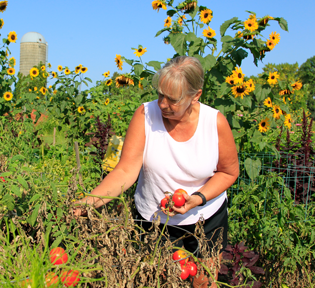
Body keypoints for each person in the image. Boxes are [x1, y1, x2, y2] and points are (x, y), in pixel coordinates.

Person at [74, 56, 239, 287]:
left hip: (207, 218)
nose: (162, 104)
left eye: (172, 99)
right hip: (156, 220)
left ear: (195, 96)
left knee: (204, 282)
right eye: (160, 94)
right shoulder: (145, 115)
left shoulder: (215, 123)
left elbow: (229, 173)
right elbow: (124, 171)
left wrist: (197, 199)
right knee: (159, 280)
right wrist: (87, 203)